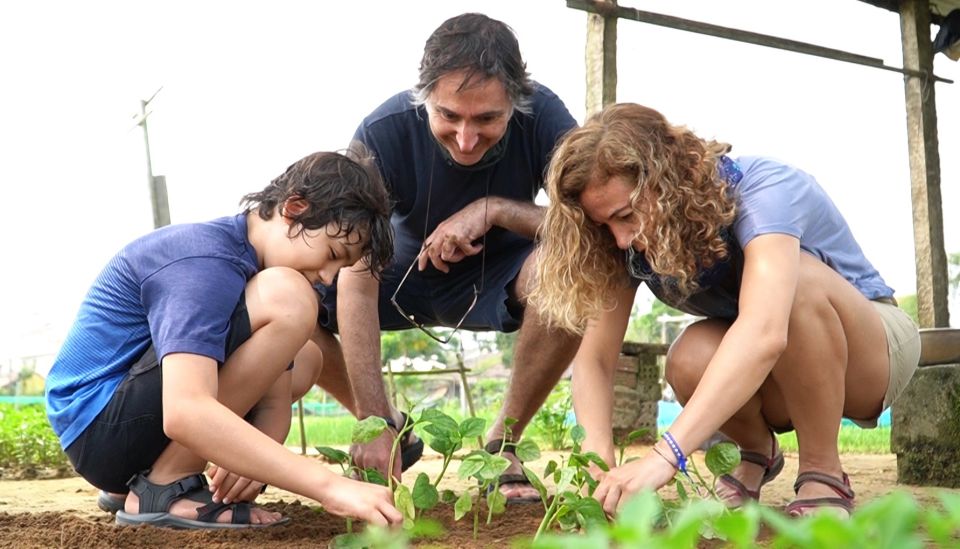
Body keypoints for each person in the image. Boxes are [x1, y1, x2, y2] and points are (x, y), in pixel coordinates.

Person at [532, 103, 920, 517]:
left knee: (796, 284)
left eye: (626, 216)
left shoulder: (765, 191)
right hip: (781, 367)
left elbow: (764, 332)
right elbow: (595, 360)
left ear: (666, 183)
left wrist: (666, 456)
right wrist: (599, 468)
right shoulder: (624, 242)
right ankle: (755, 451)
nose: (622, 239)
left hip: (871, 354)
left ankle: (823, 471)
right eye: (605, 225)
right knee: (687, 358)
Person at [290, 13, 581, 503]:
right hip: (395, 276)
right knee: (290, 290)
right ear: (423, 97)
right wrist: (372, 420)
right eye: (449, 116)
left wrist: (493, 209)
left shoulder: (548, 119)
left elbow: (590, 227)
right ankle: (387, 433)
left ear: (517, 99)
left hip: (504, 276)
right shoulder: (382, 133)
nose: (466, 139)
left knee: (575, 267)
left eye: (487, 118)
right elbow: (356, 275)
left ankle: (501, 444)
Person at [45, 149, 402, 529]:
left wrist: (252, 460)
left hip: (127, 430)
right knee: (291, 298)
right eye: (332, 254)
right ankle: (162, 487)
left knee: (310, 356)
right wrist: (331, 486)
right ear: (294, 208)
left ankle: (143, 478)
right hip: (99, 429)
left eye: (341, 268)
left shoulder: (252, 268)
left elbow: (275, 390)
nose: (329, 278)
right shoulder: (204, 261)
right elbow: (185, 410)